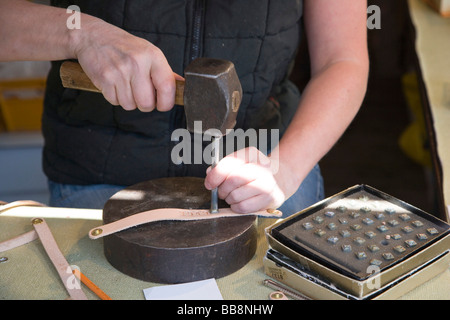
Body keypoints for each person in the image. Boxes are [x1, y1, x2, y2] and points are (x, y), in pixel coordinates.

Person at [0, 0, 369, 217]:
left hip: (268, 167)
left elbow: (343, 60)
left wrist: (286, 169)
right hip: (101, 174)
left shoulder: (281, 169)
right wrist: (79, 33)